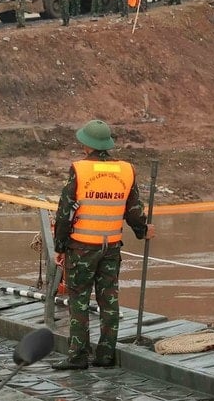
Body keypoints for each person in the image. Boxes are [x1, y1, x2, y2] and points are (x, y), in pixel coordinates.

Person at [53, 120, 154, 370]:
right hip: (111, 248)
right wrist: (143, 231)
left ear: (86, 145)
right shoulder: (126, 170)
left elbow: (65, 212)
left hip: (82, 248)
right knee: (109, 300)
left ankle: (78, 357)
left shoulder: (79, 169)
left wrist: (59, 246)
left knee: (79, 300)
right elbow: (134, 211)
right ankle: (105, 355)